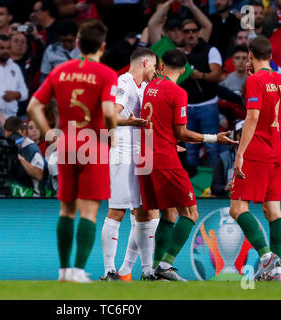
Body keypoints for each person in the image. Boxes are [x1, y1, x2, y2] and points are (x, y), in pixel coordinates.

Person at [27, 19, 118, 283]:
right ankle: (79, 271)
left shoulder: (59, 71)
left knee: (66, 210)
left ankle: (64, 271)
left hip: (66, 144)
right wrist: (112, 137)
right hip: (95, 145)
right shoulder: (106, 74)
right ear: (102, 46)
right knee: (88, 211)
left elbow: (33, 106)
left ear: (78, 44)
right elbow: (111, 112)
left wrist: (49, 134)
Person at [138, 49, 237, 281]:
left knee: (168, 214)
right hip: (165, 158)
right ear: (183, 71)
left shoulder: (148, 90)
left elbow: (161, 127)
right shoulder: (178, 92)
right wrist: (214, 137)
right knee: (191, 213)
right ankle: (165, 264)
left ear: (161, 66)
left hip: (145, 158)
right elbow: (181, 132)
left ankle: (153, 272)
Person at [229, 36, 281, 281]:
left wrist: (240, 153)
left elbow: (252, 117)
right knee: (272, 209)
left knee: (237, 208)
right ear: (271, 57)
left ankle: (266, 257)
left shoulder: (255, 80)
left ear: (250, 56)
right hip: (276, 151)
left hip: (256, 151)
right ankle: (276, 271)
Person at [100, 47, 159, 282]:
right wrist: (130, 122)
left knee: (143, 211)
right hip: (120, 154)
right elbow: (109, 117)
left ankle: (144, 270)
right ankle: (109, 271)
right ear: (145, 63)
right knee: (117, 211)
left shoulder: (142, 87)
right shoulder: (123, 82)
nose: (155, 70)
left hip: (137, 156)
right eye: (154, 65)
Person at [180, 19, 223, 173]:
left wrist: (200, 75)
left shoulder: (210, 50)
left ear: (198, 32)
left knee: (212, 146)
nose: (190, 34)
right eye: (186, 31)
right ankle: (194, 186)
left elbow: (217, 75)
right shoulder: (178, 53)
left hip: (207, 105)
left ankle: (216, 183)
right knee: (190, 147)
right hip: (187, 107)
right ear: (182, 34)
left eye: (193, 30)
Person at [5, 117, 45, 198]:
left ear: (24, 132)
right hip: (10, 194)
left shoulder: (31, 149)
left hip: (30, 195)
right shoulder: (4, 146)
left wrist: (20, 158)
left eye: (15, 135)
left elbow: (39, 176)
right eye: (10, 137)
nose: (12, 139)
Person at [211, 120, 244, 197]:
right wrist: (225, 188)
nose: (245, 138)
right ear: (234, 136)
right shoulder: (224, 158)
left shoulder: (261, 157)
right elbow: (214, 187)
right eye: (241, 134)